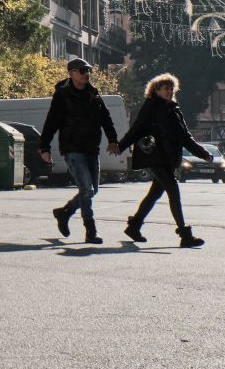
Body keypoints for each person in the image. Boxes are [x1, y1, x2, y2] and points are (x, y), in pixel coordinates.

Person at [119, 73, 212, 248]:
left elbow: (185, 136)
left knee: (154, 194)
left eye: (172, 88)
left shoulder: (174, 109)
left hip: (169, 158)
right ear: (156, 90)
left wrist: (202, 153)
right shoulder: (151, 106)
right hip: (155, 156)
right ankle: (185, 235)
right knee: (173, 191)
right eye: (166, 88)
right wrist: (121, 145)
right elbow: (137, 128)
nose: (170, 91)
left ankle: (134, 226)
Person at [39, 58, 119, 244]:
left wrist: (113, 139)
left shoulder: (94, 93)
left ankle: (65, 212)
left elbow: (105, 118)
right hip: (72, 148)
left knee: (92, 190)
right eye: (82, 70)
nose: (86, 73)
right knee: (86, 188)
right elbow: (52, 122)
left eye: (88, 69)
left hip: (91, 147)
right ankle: (90, 230)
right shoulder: (62, 95)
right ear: (71, 73)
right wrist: (44, 147)